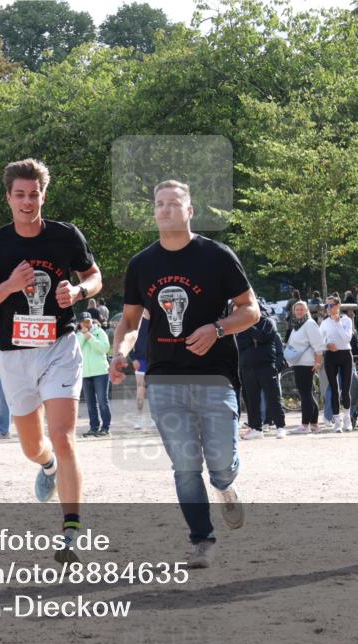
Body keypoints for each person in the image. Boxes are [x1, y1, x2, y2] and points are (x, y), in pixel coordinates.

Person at [110, 179, 259, 569]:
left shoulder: (217, 256)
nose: (165, 209)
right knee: (186, 467)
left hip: (215, 376)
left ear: (190, 211)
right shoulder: (141, 264)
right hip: (165, 380)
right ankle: (202, 539)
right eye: (159, 203)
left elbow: (251, 310)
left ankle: (225, 487)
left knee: (221, 465)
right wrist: (119, 352)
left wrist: (218, 329)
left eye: (173, 203)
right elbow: (130, 322)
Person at [0, 158, 103, 563]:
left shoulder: (65, 236)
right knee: (32, 446)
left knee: (63, 435)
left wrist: (78, 292)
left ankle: (71, 532)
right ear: (8, 198)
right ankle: (48, 466)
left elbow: (94, 277)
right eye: (20, 195)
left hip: (60, 348)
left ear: (43, 196)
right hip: (13, 355)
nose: (27, 202)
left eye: (34, 194)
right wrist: (8, 286)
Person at [237, 311, 286, 440]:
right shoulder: (241, 325)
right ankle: (256, 428)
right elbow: (239, 343)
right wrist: (254, 337)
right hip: (247, 368)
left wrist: (249, 328)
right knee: (252, 400)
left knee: (273, 397)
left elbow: (263, 337)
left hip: (266, 366)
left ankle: (280, 427)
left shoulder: (268, 322)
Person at [285, 300, 325, 434]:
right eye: (297, 309)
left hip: (306, 363)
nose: (299, 311)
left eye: (302, 309)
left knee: (305, 393)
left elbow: (319, 344)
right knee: (307, 393)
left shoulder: (309, 324)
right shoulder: (297, 324)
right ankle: (313, 424)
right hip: (298, 362)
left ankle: (304, 425)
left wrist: (318, 362)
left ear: (307, 310)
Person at [319, 295, 354, 433]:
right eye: (326, 306)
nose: (328, 308)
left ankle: (347, 419)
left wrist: (337, 322)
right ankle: (337, 421)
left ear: (338, 306)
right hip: (330, 356)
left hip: (345, 354)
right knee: (334, 389)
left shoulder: (346, 320)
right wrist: (327, 345)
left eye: (330, 305)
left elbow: (347, 338)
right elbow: (319, 341)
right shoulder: (324, 323)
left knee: (345, 389)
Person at [77, 313, 112, 437]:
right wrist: (83, 335)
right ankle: (94, 427)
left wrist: (90, 337)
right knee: (90, 403)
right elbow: (77, 349)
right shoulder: (78, 335)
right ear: (80, 323)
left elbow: (105, 348)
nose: (86, 323)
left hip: (101, 372)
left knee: (102, 401)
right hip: (85, 373)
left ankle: (106, 428)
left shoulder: (100, 332)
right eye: (83, 321)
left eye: (88, 321)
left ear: (92, 321)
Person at [130, 310, 152, 430]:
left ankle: (155, 418)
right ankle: (139, 419)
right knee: (141, 390)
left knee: (155, 390)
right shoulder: (136, 321)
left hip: (155, 361)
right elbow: (128, 340)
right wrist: (133, 358)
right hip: (141, 360)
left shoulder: (158, 319)